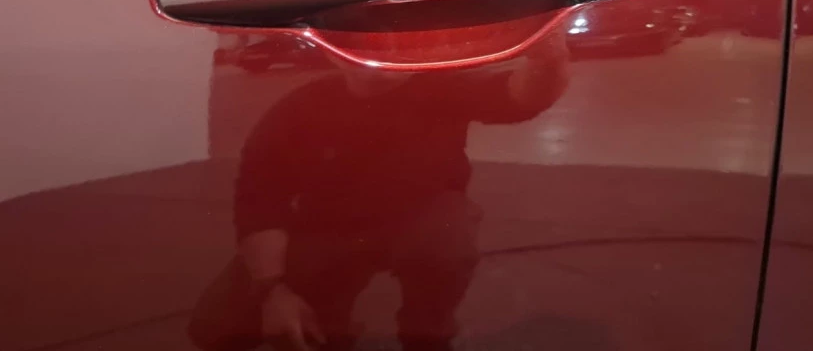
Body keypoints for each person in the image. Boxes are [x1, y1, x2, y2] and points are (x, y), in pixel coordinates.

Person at [189, 35, 568, 351]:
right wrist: (273, 291)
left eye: (390, 44)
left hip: (421, 219)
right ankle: (330, 324)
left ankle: (429, 333)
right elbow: (259, 201)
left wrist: (548, 60)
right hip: (328, 229)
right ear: (332, 52)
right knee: (213, 328)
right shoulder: (295, 112)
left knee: (444, 245)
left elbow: (519, 98)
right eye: (360, 45)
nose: (378, 56)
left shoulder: (440, 89)